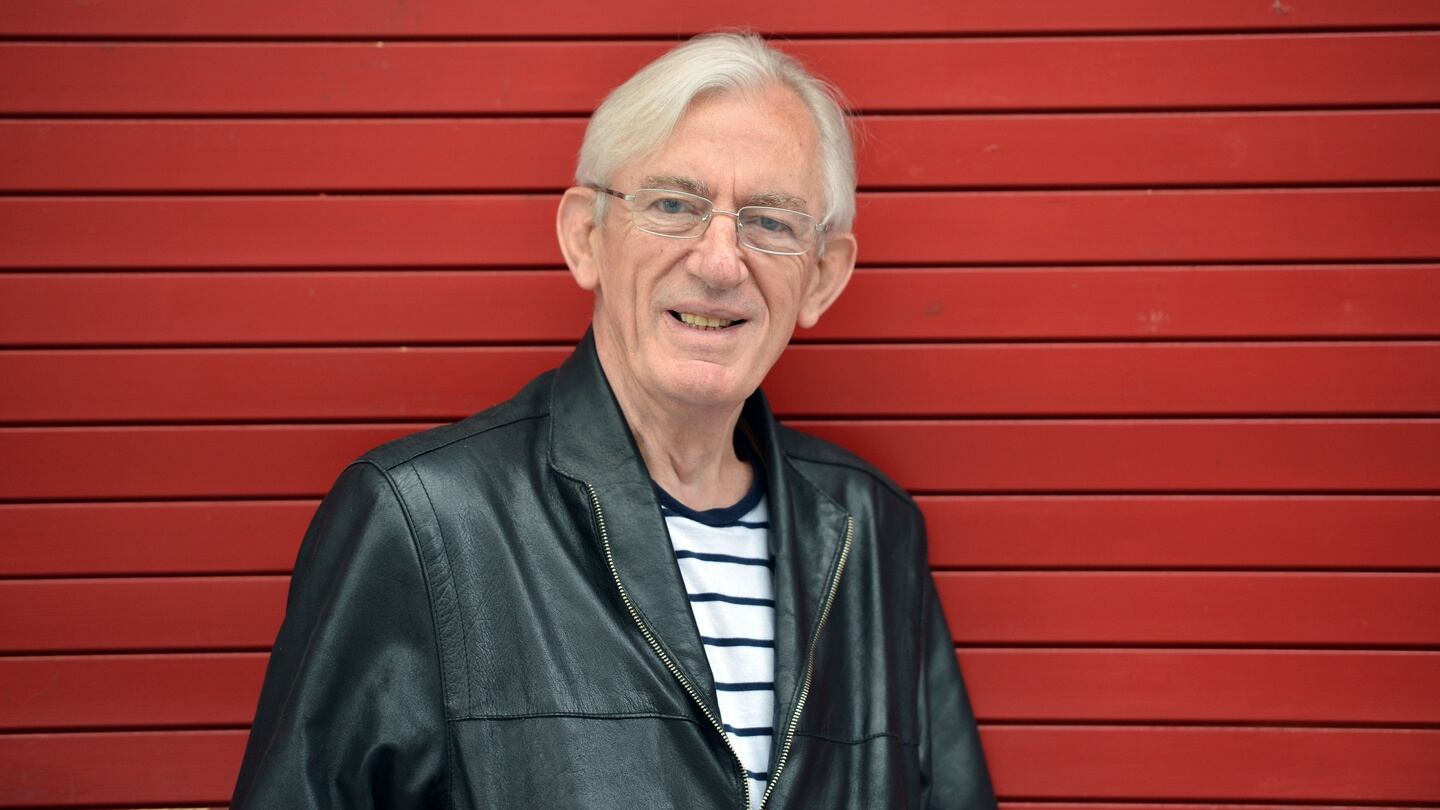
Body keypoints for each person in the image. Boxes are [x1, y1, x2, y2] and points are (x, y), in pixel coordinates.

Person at [231, 32, 996, 809]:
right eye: (673, 205)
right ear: (586, 238)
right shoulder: (422, 522)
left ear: (821, 279)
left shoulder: (872, 534)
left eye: (770, 221)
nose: (720, 260)